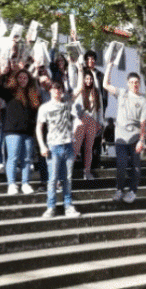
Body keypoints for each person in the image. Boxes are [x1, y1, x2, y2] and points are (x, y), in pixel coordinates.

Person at [103, 63, 146, 204]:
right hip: (121, 137)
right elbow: (105, 84)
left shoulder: (142, 100)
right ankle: (119, 189)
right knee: (121, 164)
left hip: (135, 137)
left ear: (139, 84)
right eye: (131, 82)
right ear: (127, 84)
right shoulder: (122, 93)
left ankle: (133, 191)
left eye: (136, 82)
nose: (134, 85)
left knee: (135, 165)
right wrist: (109, 67)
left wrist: (141, 140)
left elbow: (143, 123)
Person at [36, 81, 81, 218]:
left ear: (62, 90)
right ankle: (51, 207)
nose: (57, 91)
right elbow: (39, 128)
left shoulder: (67, 103)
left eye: (59, 88)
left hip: (68, 145)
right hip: (53, 146)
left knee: (67, 178)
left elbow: (79, 88)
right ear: (50, 90)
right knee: (53, 179)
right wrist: (42, 145)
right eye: (54, 88)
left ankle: (68, 206)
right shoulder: (44, 107)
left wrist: (79, 69)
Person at [1, 68, 40, 195]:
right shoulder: (10, 92)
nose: (23, 80)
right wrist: (3, 74)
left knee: (27, 159)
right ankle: (11, 183)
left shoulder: (32, 94)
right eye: (20, 77)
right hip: (12, 131)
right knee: (13, 157)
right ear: (16, 79)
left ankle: (25, 183)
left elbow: (36, 112)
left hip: (28, 132)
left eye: (25, 77)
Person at [72, 60, 102, 181]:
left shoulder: (96, 92)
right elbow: (74, 106)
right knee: (75, 148)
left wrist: (100, 122)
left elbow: (99, 109)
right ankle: (67, 173)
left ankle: (87, 172)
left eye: (91, 79)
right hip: (81, 120)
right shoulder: (80, 91)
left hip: (92, 122)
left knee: (89, 149)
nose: (89, 81)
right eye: (87, 79)